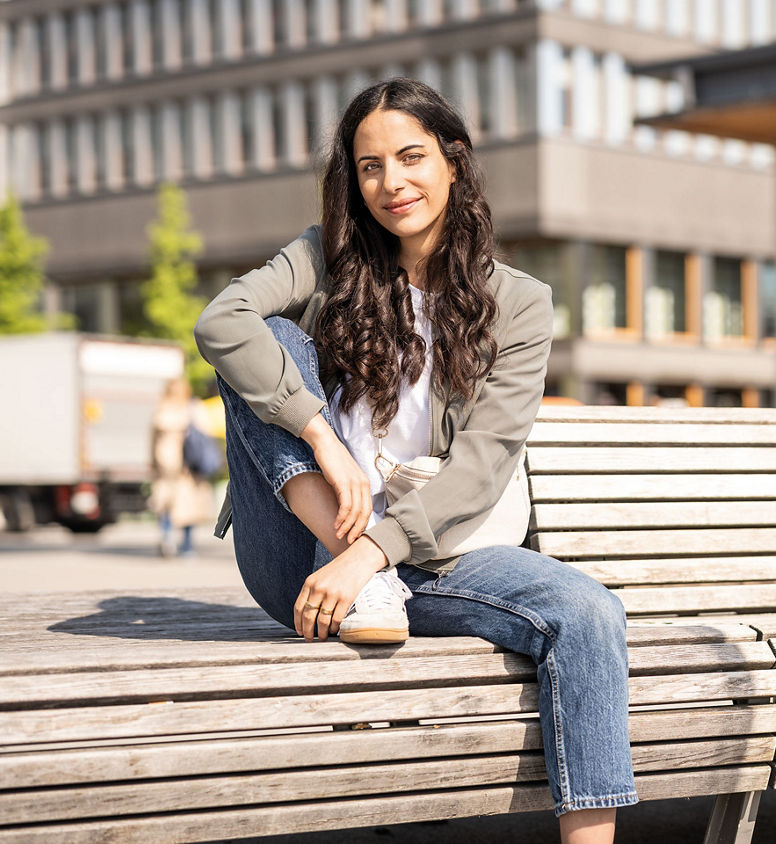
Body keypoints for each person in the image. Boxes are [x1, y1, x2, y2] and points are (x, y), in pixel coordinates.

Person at [193, 78, 635, 842]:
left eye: (410, 157)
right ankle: (355, 568)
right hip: (305, 558)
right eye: (369, 166)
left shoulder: (520, 303)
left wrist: (375, 555)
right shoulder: (323, 259)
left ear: (452, 163)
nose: (391, 182)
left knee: (591, 611)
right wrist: (319, 434)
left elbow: (486, 460)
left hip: (431, 555)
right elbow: (221, 320)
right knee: (265, 344)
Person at [149, 377, 215, 557]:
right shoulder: (194, 408)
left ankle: (167, 537)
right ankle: (186, 546)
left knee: (166, 503)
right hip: (190, 465)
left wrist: (153, 463)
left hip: (167, 463)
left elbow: (153, 440)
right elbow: (206, 433)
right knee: (188, 506)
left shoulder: (161, 410)